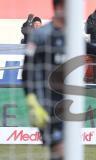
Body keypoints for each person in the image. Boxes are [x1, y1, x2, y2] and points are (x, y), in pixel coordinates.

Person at [22, 0, 65, 160]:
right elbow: (27, 70)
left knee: (63, 153)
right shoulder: (41, 35)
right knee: (59, 150)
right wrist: (31, 99)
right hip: (46, 103)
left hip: (69, 103)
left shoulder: (72, 36)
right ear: (60, 8)